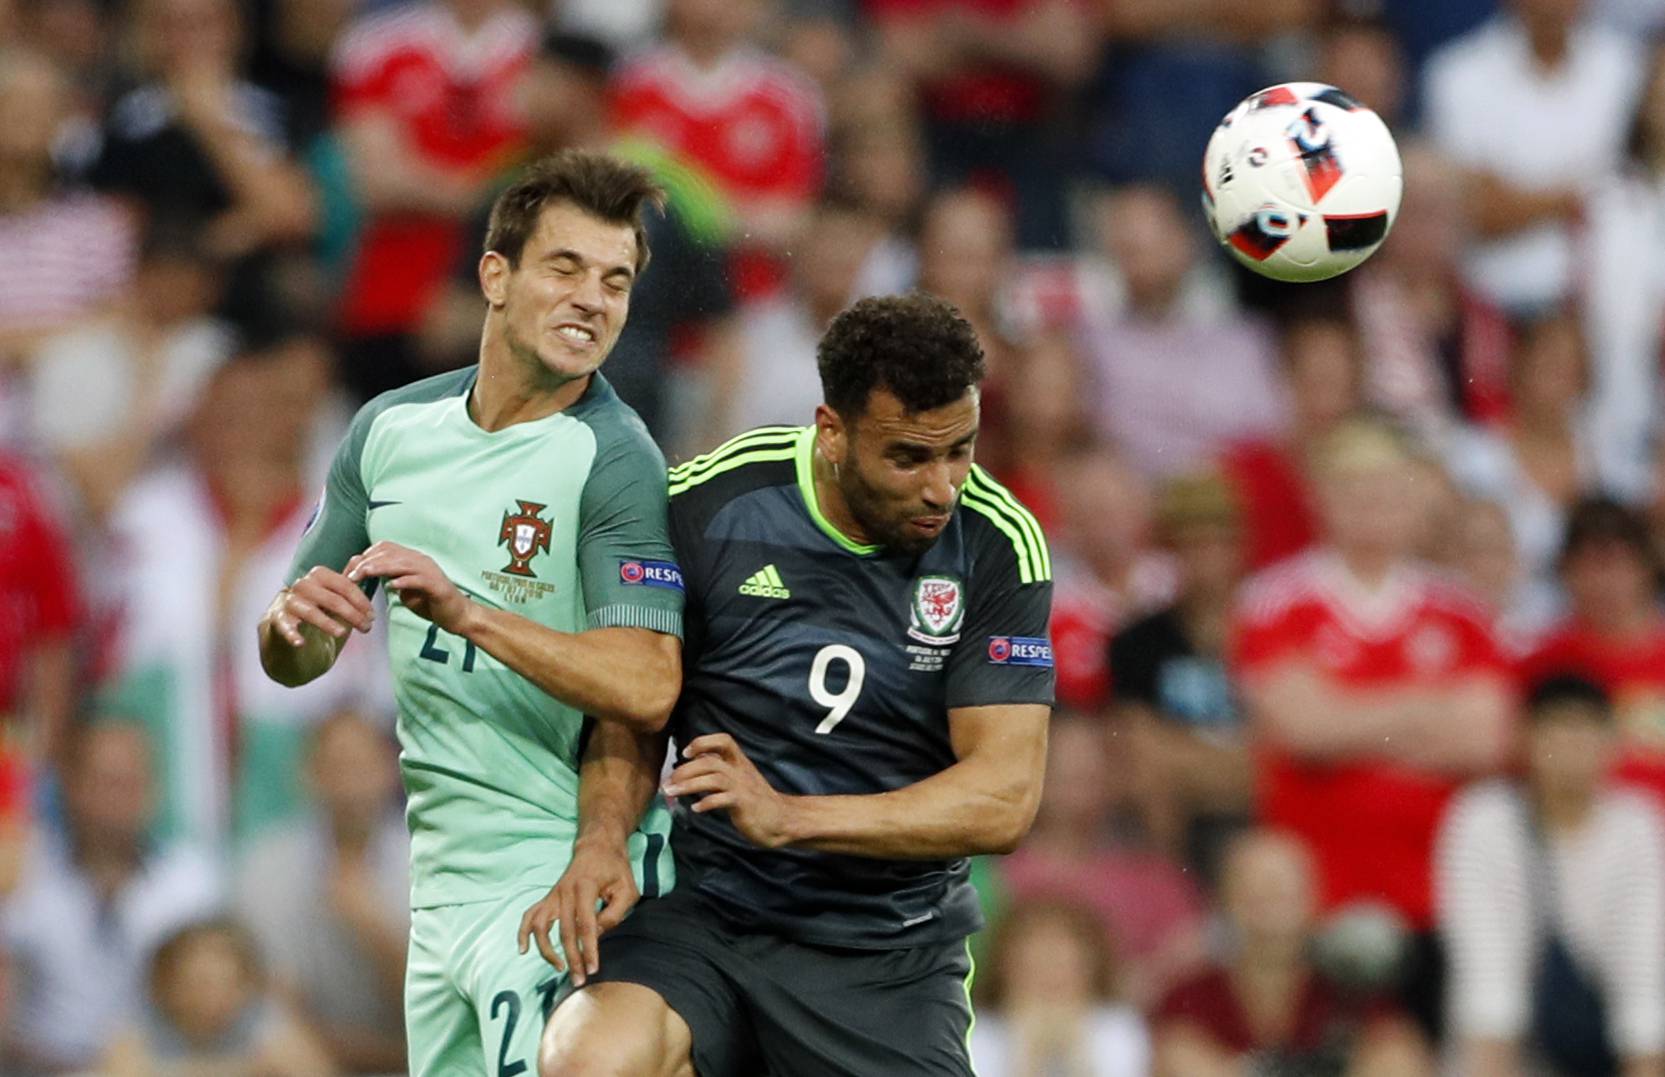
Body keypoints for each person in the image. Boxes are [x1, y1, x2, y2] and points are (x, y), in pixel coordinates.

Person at [538, 292, 1054, 1076]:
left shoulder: (997, 543)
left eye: (961, 450)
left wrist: (791, 816)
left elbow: (1003, 794)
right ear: (832, 432)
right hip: (712, 911)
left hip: (887, 947)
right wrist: (603, 837)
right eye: (909, 456)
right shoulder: (711, 506)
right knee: (589, 1057)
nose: (942, 487)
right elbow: (637, 702)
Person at [256, 150, 685, 1076]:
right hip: (439, 882)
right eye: (565, 268)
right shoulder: (388, 431)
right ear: (496, 274)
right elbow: (291, 656)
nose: (592, 300)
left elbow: (648, 683)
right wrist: (293, 623)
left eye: (615, 281)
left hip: (555, 876)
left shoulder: (612, 457)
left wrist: (468, 609)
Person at [1231, 417, 1514, 1036]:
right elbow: (1302, 729)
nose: (1373, 505)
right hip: (1316, 894)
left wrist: (1348, 719)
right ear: (1322, 498)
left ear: (1415, 498)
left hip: (1437, 894)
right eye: (1354, 489)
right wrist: (1425, 712)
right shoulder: (1276, 600)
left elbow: (1484, 738)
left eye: (1389, 489)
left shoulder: (1460, 610)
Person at [1438, 674, 1665, 1077]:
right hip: (1508, 1057)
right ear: (1525, 738)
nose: (1570, 748)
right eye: (1556, 731)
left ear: (1612, 742)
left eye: (1584, 731)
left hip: (1601, 1053)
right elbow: (1487, 979)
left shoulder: (1637, 826)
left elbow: (1643, 981)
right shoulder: (1483, 821)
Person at [0, 721, 221, 1074]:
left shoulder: (190, 881)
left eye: (133, 782)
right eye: (107, 782)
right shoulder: (23, 874)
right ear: (70, 786)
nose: (120, 799)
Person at [1423, 0, 1645, 315]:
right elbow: (1476, 211)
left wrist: (1520, 197)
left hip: (1605, 308)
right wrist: (1583, 194)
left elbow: (1643, 188)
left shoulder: (1625, 67)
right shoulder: (1457, 75)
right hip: (1495, 304)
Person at [1154, 829, 1429, 1077]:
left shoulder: (1356, 996)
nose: (1271, 900)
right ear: (1225, 901)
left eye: (1284, 890)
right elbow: (1178, 1060)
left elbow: (1400, 1060)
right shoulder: (1188, 998)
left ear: (1316, 898)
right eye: (1256, 890)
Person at [235, 709, 410, 1073]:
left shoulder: (428, 859)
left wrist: (374, 930)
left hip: (413, 1050)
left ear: (389, 772)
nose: (348, 787)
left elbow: (442, 1005)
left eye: (361, 768)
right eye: (334, 768)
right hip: (311, 1061)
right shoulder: (266, 865)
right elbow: (268, 1001)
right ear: (306, 774)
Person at [1522, 498, 1665, 809]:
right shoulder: (1541, 663)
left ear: (1646, 568)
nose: (1602, 583)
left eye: (1614, 564)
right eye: (1586, 566)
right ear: (1565, 573)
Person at [101, 918, 338, 1077]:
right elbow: (120, 1068)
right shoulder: (143, 1027)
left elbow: (318, 1070)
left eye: (231, 983)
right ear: (166, 984)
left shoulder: (262, 1022)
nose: (216, 997)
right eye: (201, 983)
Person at [971, 898, 1150, 1077]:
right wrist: (1027, 1057)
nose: (1050, 977)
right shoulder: (976, 1033)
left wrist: (1076, 1055)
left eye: (1061, 964)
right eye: (1036, 963)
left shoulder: (1118, 1027)